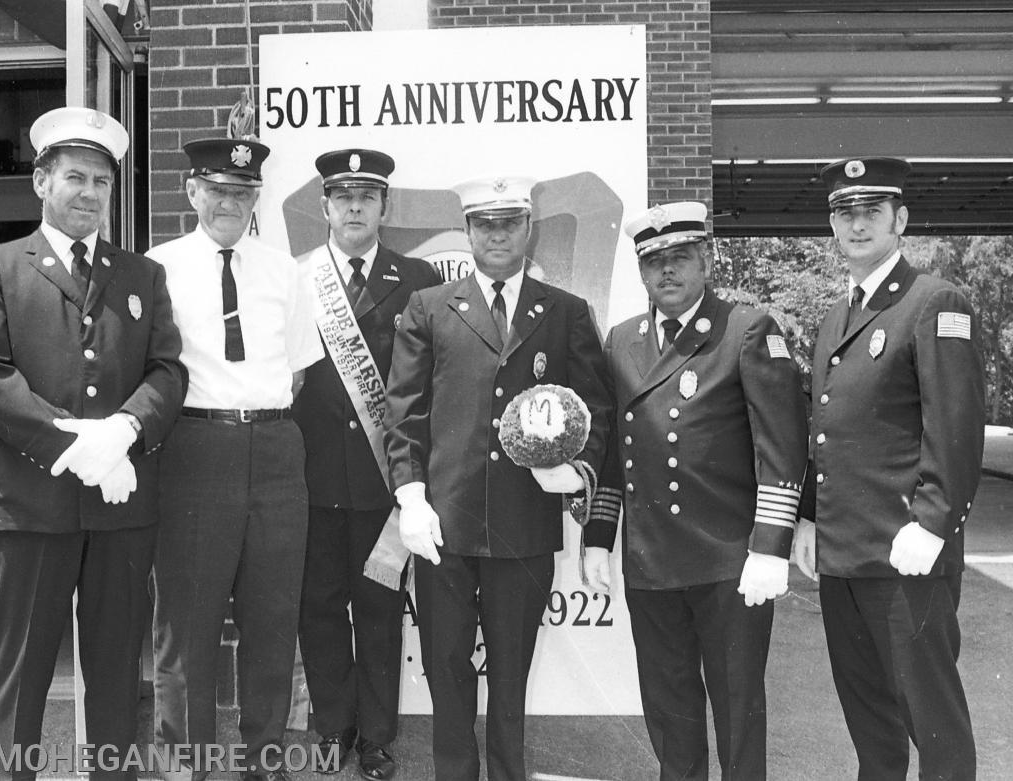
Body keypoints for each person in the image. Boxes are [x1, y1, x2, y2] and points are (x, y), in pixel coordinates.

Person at [383, 175, 611, 781]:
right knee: (446, 667)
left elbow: (596, 409)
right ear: (468, 231)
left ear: (528, 229)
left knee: (512, 672)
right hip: (444, 526)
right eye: (486, 223)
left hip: (524, 526)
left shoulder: (564, 312)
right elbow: (405, 411)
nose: (499, 234)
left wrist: (577, 469)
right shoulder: (429, 307)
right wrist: (411, 498)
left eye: (510, 222)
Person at [0, 106, 185, 780]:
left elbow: (168, 369)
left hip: (120, 512)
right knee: (18, 678)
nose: (90, 192)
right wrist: (75, 446)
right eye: (75, 176)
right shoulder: (0, 265)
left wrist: (125, 430)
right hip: (31, 504)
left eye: (102, 181)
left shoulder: (141, 275)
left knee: (114, 671)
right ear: (41, 181)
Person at [581, 201, 808, 781]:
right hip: (652, 561)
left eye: (680, 258)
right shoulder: (622, 339)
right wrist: (598, 536)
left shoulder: (745, 328)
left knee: (737, 710)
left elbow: (780, 445)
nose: (668, 273)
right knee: (668, 709)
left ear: (705, 260)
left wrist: (771, 546)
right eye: (654, 263)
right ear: (641, 273)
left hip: (728, 560)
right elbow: (612, 449)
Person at [793, 157, 985, 781]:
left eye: (871, 211)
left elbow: (955, 428)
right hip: (845, 558)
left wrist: (931, 523)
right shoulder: (833, 318)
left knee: (934, 725)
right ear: (832, 226)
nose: (857, 224)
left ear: (900, 220)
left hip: (908, 555)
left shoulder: (933, 302)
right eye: (844, 213)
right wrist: (809, 520)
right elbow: (824, 432)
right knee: (870, 723)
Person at [148, 137, 323, 781]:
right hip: (196, 450)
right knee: (187, 623)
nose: (230, 202)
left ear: (258, 199)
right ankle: (182, 763)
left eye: (244, 192)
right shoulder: (156, 267)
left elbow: (298, 372)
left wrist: (255, 418)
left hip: (276, 450)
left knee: (273, 617)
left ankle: (263, 760)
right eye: (218, 190)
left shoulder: (284, 270)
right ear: (191, 192)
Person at [294, 148, 440, 780]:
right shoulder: (297, 277)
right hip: (311, 477)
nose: (354, 207)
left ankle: (378, 737)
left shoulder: (419, 278)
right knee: (318, 607)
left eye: (367, 197)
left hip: (388, 481)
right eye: (342, 197)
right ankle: (334, 727)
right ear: (325, 206)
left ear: (386, 206)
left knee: (380, 611)